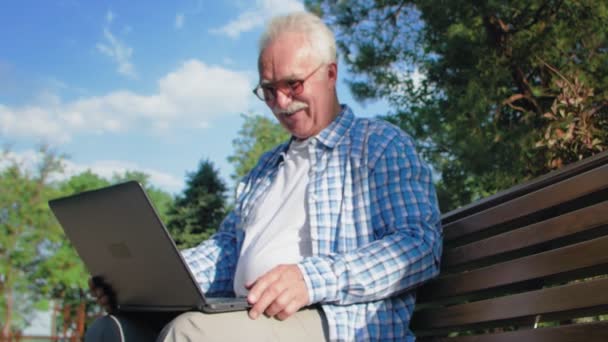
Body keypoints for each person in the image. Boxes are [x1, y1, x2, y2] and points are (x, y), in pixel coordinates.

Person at [86, 11, 442, 342]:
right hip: (246, 312)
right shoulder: (265, 168)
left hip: (337, 320)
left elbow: (420, 245)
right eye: (269, 90)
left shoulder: (378, 144)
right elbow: (227, 252)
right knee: (111, 330)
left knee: (190, 334)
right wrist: (148, 281)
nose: (282, 102)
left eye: (293, 84)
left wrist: (309, 279)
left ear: (330, 74)